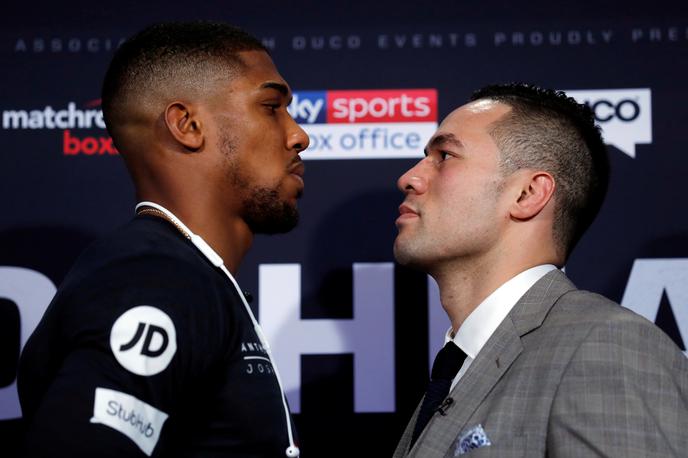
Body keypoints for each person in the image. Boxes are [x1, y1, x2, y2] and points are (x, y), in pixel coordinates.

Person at [18, 21, 308, 457]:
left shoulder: (185, 274)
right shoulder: (158, 279)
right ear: (187, 125)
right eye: (271, 106)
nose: (299, 135)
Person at [392, 83, 688, 457]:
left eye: (445, 155)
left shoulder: (604, 347)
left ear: (528, 194)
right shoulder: (458, 368)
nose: (409, 178)